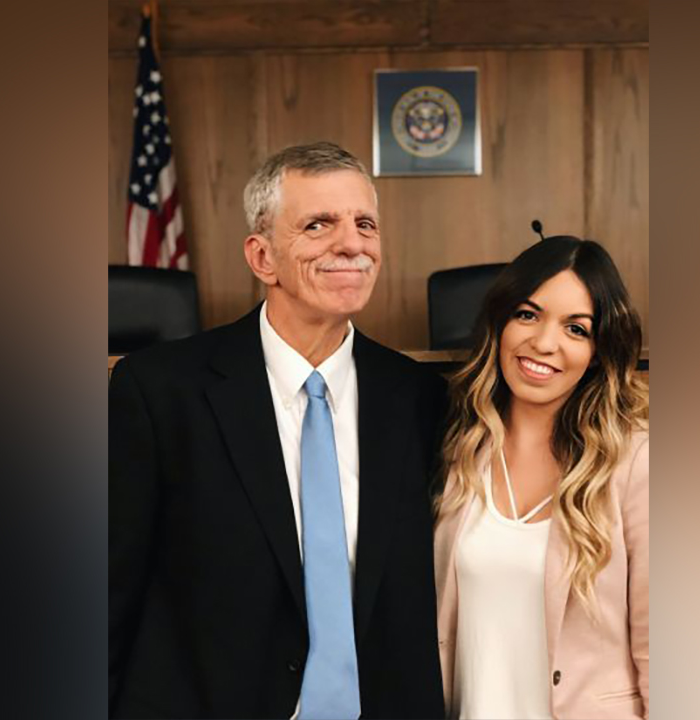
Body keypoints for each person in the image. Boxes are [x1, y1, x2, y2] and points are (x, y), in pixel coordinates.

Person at [109, 142, 447, 719]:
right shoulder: (160, 390)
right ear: (262, 257)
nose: (352, 243)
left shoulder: (418, 397)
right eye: (319, 224)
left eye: (365, 224)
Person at [434, 236, 649, 719]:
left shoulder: (637, 461)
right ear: (500, 321)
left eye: (576, 328)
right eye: (528, 315)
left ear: (597, 350)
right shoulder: (456, 448)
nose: (544, 343)